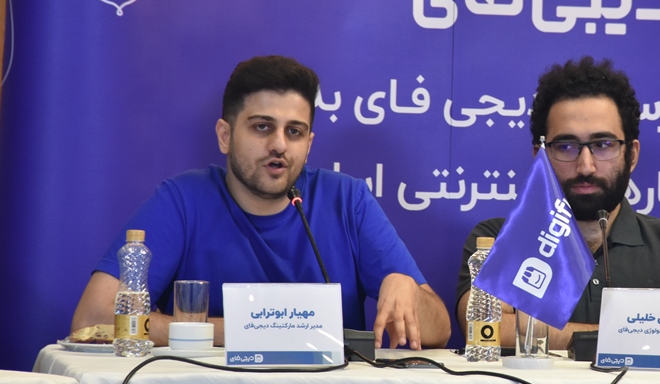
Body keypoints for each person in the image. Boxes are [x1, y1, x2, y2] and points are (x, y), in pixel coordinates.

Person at [71, 55, 450, 350]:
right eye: (262, 127)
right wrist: (246, 331)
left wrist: (405, 287)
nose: (279, 145)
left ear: (309, 145)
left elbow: (439, 331)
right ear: (225, 135)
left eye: (294, 131)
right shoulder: (183, 200)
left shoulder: (347, 200)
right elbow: (94, 319)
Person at [456, 57, 660, 349]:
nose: (586, 166)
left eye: (603, 145)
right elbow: (483, 327)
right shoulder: (496, 238)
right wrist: (641, 335)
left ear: (632, 155)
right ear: (539, 157)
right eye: (566, 146)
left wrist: (546, 330)